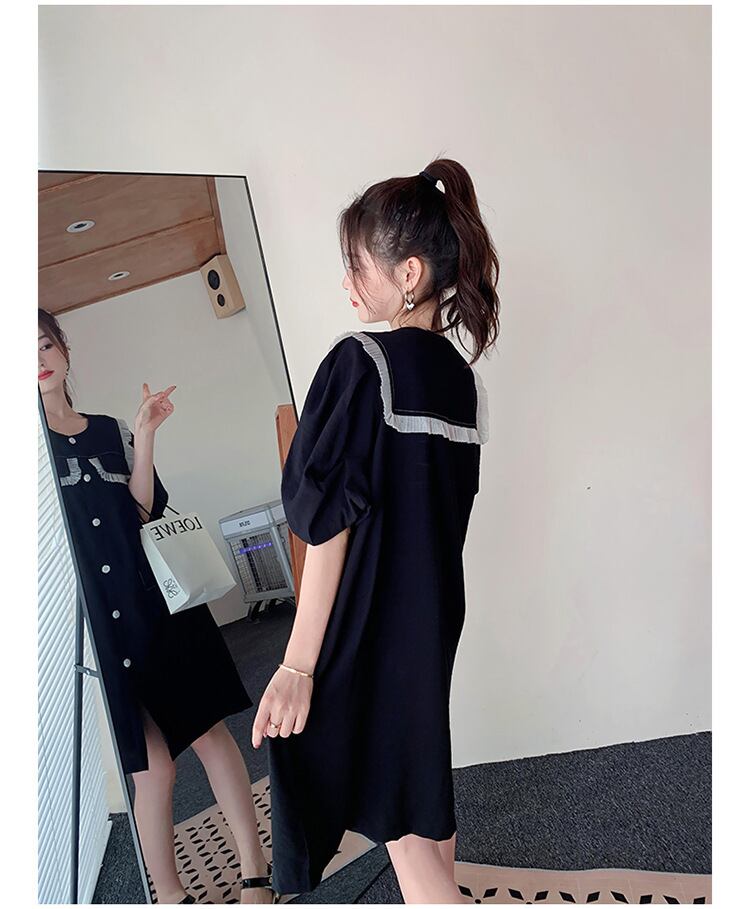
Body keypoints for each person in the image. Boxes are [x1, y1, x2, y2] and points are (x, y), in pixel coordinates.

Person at [251, 158, 499, 903]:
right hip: (433, 615)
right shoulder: (464, 383)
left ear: (409, 273)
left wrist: (298, 664)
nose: (347, 284)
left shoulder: (361, 362)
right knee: (417, 783)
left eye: (357, 265)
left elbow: (328, 525)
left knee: (396, 813)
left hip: (371, 623)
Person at [38, 308, 275, 905]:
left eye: (44, 345)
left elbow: (142, 512)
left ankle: (254, 874)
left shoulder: (108, 430)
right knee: (154, 767)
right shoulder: (29, 457)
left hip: (157, 603)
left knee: (209, 733)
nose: (36, 361)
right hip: (102, 624)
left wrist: (143, 435)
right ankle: (168, 895)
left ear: (64, 350)